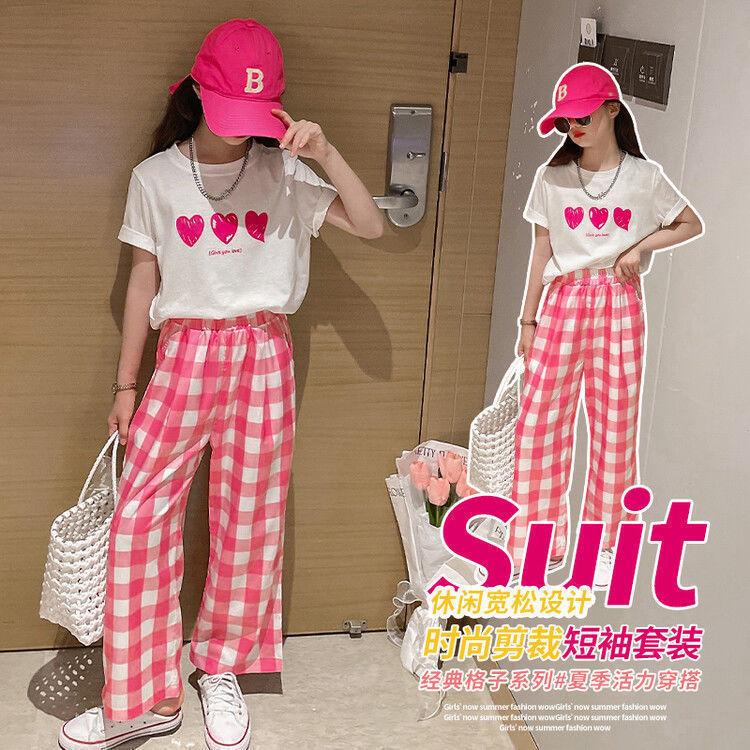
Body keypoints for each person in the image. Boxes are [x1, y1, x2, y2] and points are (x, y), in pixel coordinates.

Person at [58, 17, 383, 750]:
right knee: (140, 520)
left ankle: (221, 667)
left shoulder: (285, 173)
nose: (240, 129)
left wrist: (326, 152)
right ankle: (143, 696)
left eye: (254, 114)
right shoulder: (155, 178)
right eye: (230, 109)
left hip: (263, 351)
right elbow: (142, 280)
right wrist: (125, 384)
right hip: (184, 353)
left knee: (250, 519)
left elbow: (369, 226)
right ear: (198, 94)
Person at [509, 62, 703, 588]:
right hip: (562, 300)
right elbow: (541, 251)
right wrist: (527, 320)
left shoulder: (645, 178)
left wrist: (640, 248)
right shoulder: (550, 178)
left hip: (617, 302)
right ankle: (536, 543)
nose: (573, 127)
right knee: (539, 424)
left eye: (582, 116)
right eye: (566, 120)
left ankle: (607, 546)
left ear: (612, 110)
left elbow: (690, 222)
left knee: (615, 428)